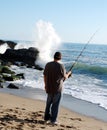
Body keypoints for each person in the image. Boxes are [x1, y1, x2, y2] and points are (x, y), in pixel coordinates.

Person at [43, 51, 71, 125]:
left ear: (54, 57)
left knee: (48, 104)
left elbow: (45, 76)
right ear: (60, 58)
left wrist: (45, 85)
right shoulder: (61, 66)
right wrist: (69, 73)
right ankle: (53, 120)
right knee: (55, 105)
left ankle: (46, 118)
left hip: (49, 87)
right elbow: (65, 77)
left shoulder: (48, 64)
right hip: (58, 88)